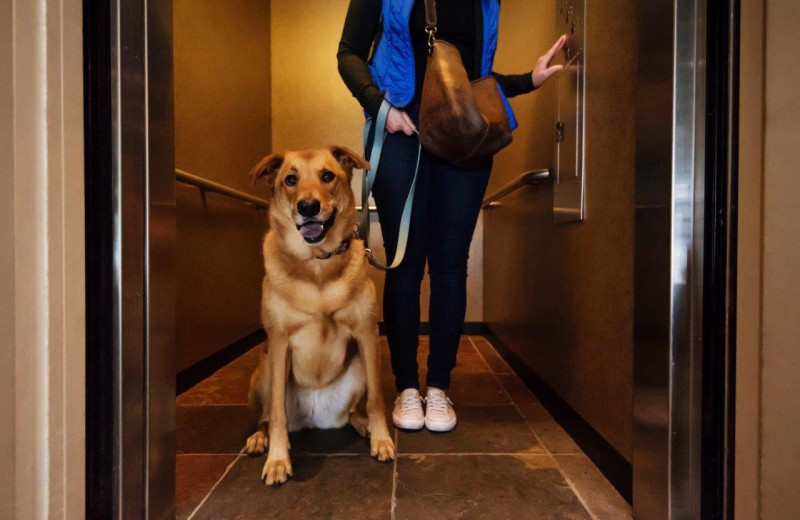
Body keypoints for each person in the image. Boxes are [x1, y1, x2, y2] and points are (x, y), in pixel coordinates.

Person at [337, 0, 565, 432]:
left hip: (465, 135)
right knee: (405, 265)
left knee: (450, 266)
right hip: (401, 135)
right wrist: (379, 108)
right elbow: (348, 52)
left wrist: (527, 80)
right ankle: (406, 386)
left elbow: (468, 81)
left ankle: (438, 387)